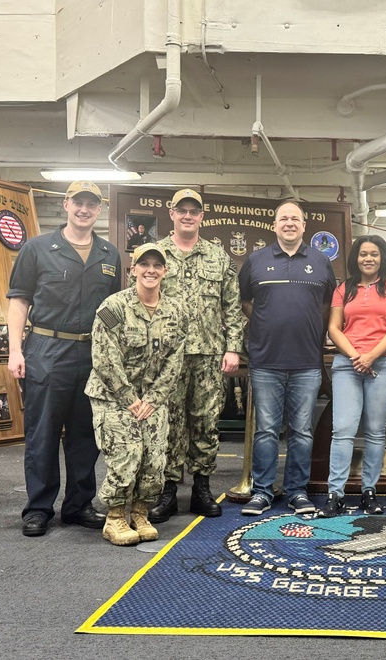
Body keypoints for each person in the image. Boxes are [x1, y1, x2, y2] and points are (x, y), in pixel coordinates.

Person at [7, 180, 122, 538]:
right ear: (66, 204)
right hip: (46, 350)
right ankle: (39, 508)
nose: (84, 209)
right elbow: (19, 302)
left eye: (92, 204)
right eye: (78, 202)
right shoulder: (38, 248)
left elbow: (114, 310)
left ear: (99, 209)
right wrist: (14, 350)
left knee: (86, 433)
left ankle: (78, 505)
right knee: (42, 432)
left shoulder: (109, 254)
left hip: (92, 354)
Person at [147, 189, 245, 523]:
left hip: (208, 354)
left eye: (194, 211)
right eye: (182, 210)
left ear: (202, 216)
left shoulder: (218, 256)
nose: (188, 216)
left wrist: (233, 348)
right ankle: (169, 490)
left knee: (205, 422)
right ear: (171, 213)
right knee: (170, 423)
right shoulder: (155, 254)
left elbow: (232, 307)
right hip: (167, 357)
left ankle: (202, 487)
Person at [238, 200, 336, 516]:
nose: (289, 223)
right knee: (266, 429)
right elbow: (246, 303)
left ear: (304, 226)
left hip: (307, 361)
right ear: (275, 225)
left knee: (302, 430)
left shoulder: (321, 262)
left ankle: (297, 492)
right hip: (266, 360)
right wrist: (269, 325)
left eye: (295, 218)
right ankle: (263, 492)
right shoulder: (255, 261)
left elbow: (326, 306)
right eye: (284, 218)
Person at [85, 243, 186, 546]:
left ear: (165, 271)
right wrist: (131, 399)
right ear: (133, 270)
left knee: (155, 459)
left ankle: (140, 513)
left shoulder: (175, 310)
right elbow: (104, 357)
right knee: (126, 455)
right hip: (114, 397)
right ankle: (115, 518)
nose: (151, 270)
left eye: (157, 265)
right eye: (144, 265)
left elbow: (175, 359)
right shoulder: (113, 308)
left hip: (153, 400)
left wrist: (153, 399)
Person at [316, 235, 386, 517]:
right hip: (348, 365)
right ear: (356, 258)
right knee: (342, 430)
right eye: (363, 254)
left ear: (383, 258)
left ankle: (369, 492)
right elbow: (334, 328)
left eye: (374, 254)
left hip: (385, 364)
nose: (368, 258)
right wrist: (356, 356)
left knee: (375, 432)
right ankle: (336, 493)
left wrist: (371, 356)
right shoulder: (343, 289)